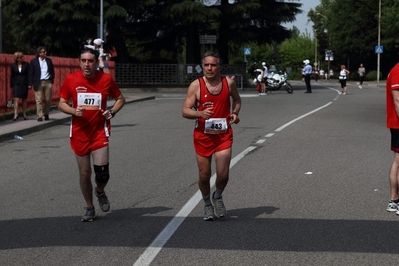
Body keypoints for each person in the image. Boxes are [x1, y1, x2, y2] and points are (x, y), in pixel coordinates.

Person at [58, 48, 126, 222]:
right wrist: (74, 111)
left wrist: (112, 112)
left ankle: (100, 191)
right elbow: (61, 103)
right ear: (79, 62)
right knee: (84, 173)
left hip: (99, 133)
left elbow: (120, 99)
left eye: (90, 61)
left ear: (96, 62)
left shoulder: (105, 79)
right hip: (79, 133)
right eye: (83, 61)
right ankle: (89, 207)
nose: (87, 64)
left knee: (102, 174)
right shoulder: (71, 80)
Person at [182, 51, 241, 221]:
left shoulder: (228, 83)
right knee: (204, 174)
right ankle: (207, 204)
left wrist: (234, 113)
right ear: (203, 67)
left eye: (213, 65)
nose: (209, 68)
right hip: (203, 136)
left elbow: (237, 101)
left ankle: (218, 196)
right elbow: (185, 111)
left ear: (219, 67)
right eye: (206, 65)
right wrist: (199, 113)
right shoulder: (196, 85)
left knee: (223, 174)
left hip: (223, 135)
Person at [385, 62, 399, 214]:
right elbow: (397, 100)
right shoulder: (398, 71)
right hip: (398, 124)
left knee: (397, 160)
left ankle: (394, 201)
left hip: (396, 124)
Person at [28, 46, 55, 122]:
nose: (44, 53)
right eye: (43, 52)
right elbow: (31, 73)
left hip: (47, 81)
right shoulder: (34, 61)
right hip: (38, 82)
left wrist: (51, 79)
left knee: (48, 99)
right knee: (38, 100)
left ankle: (46, 113)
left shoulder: (49, 61)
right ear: (39, 53)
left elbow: (52, 70)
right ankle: (40, 115)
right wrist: (30, 83)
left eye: (45, 51)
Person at [10, 51, 30, 121]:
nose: (22, 58)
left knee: (24, 99)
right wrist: (11, 86)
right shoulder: (13, 65)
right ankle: (15, 114)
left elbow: (29, 75)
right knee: (16, 99)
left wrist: (29, 84)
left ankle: (24, 114)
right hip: (16, 83)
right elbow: (12, 76)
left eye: (23, 56)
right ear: (17, 58)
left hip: (24, 83)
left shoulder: (26, 64)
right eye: (21, 57)